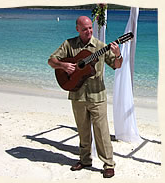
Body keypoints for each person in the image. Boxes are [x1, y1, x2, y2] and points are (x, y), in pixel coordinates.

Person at [48, 16, 123, 178]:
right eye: (84, 29)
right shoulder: (69, 44)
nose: (88, 31)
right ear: (77, 29)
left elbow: (117, 66)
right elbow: (51, 60)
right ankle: (85, 160)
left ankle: (108, 164)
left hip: (97, 96)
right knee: (82, 130)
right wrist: (63, 65)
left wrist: (118, 55)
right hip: (77, 95)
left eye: (90, 28)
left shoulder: (101, 47)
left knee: (102, 132)